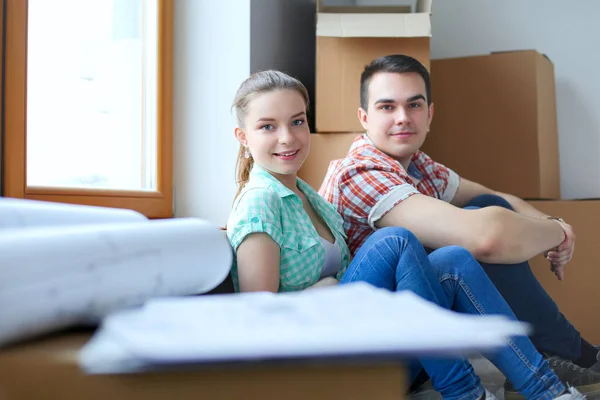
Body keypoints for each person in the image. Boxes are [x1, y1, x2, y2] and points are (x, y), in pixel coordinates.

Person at [225, 69, 584, 400]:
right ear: (243, 137)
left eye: (297, 121)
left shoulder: (310, 197)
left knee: (454, 259)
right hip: (317, 362)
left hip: (368, 338)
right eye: (268, 127)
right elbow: (258, 318)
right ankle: (465, 392)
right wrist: (318, 293)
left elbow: (485, 201)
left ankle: (548, 391)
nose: (287, 137)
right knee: (395, 239)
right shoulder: (261, 201)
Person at [318, 54, 600, 397]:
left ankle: (561, 356)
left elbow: (494, 197)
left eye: (414, 105)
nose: (403, 118)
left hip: (412, 331)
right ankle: (561, 356)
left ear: (430, 114)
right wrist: (558, 233)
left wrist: (548, 221)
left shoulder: (418, 165)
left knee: (486, 208)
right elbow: (486, 239)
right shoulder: (360, 172)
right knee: (460, 246)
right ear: (364, 117)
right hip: (370, 351)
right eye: (387, 107)